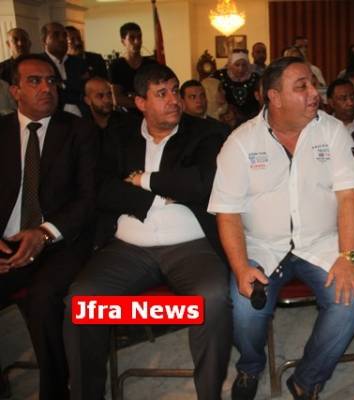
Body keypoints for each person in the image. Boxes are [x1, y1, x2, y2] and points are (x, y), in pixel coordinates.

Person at [63, 63, 231, 400]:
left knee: (212, 299)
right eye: (161, 93)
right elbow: (101, 188)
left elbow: (202, 183)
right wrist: (160, 197)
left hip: (192, 246)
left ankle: (209, 394)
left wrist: (142, 180)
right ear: (140, 102)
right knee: (81, 301)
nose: (174, 100)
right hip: (127, 248)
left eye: (175, 91)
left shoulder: (207, 133)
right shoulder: (117, 135)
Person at [208, 56, 354, 399]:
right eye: (302, 86)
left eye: (313, 83)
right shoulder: (240, 142)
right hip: (262, 246)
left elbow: (348, 198)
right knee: (244, 307)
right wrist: (240, 268)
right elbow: (228, 214)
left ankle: (306, 380)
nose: (314, 92)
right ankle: (250, 366)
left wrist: (349, 256)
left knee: (351, 299)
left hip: (322, 242)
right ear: (275, 97)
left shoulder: (333, 131)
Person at [0, 54, 97, 400]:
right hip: (8, 242)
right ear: (15, 91)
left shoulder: (79, 131)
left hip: (60, 241)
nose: (46, 88)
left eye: (51, 81)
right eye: (34, 81)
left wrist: (43, 234)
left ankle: (55, 391)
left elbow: (88, 198)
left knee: (43, 299)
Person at [40, 22, 88, 117]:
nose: (62, 39)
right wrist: (72, 85)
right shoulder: (39, 63)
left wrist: (61, 84)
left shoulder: (79, 62)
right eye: (56, 35)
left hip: (82, 116)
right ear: (44, 40)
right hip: (52, 116)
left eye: (64, 35)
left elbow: (85, 90)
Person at [108, 22, 156, 110]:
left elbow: (155, 91)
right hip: (126, 114)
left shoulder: (151, 65)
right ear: (123, 41)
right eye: (132, 38)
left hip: (150, 112)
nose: (137, 41)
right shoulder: (116, 66)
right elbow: (117, 98)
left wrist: (132, 97)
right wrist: (143, 103)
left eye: (139, 37)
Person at [212, 48, 261, 125]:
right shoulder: (219, 77)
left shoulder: (255, 78)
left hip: (251, 121)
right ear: (230, 65)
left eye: (244, 65)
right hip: (226, 121)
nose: (241, 68)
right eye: (237, 65)